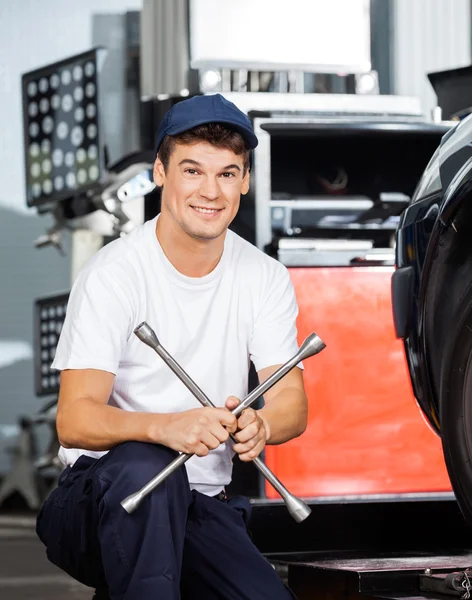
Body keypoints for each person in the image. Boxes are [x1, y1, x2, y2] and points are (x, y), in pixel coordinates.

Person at [36, 93, 308, 600]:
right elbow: (74, 419)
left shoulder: (265, 277)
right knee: (148, 466)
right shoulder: (114, 275)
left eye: (228, 173)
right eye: (192, 170)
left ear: (245, 181)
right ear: (160, 172)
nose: (211, 191)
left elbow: (291, 401)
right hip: (98, 498)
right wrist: (167, 429)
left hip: (201, 502)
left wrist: (263, 424)